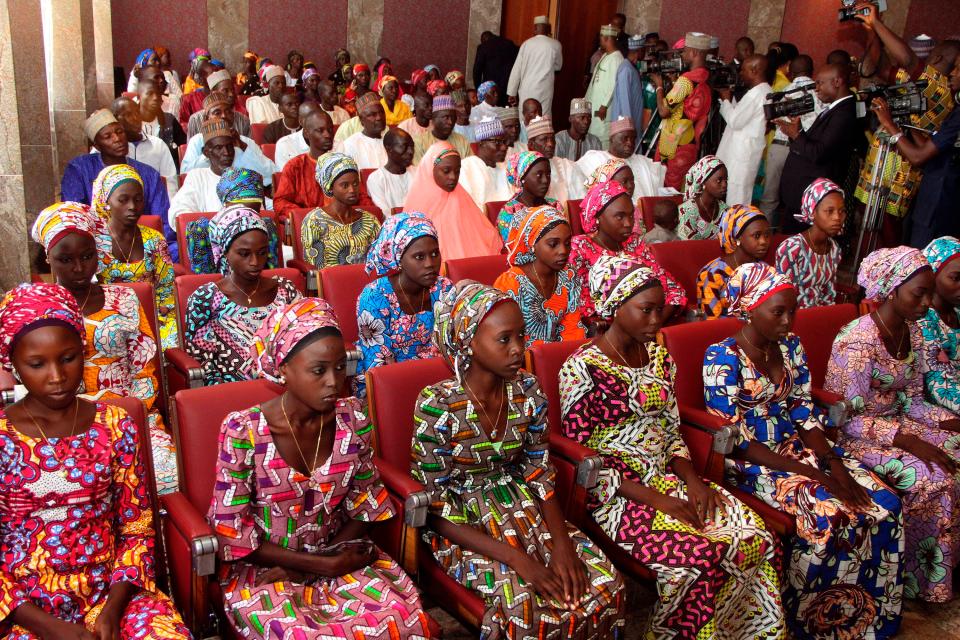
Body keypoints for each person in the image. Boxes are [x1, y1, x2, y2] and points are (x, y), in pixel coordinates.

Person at [562, 256, 786, 639]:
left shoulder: (660, 357)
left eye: (660, 310)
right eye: (645, 311)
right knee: (698, 560)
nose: (656, 321)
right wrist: (656, 500)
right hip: (619, 494)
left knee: (757, 538)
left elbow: (670, 431)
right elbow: (588, 464)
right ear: (614, 307)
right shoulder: (581, 368)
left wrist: (694, 481)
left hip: (668, 477)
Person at [208, 297, 435, 639]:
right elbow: (233, 534)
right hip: (265, 569)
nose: (334, 381)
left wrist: (329, 560)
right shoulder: (243, 432)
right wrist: (313, 566)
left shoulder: (352, 419)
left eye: (341, 367)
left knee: (401, 621)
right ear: (283, 368)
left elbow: (365, 505)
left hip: (341, 552)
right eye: (319, 370)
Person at [411, 281, 626, 639]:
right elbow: (435, 508)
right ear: (468, 341)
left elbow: (539, 471)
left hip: (522, 506)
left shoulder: (527, 389)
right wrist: (517, 559)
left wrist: (561, 544)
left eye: (522, 336)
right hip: (464, 525)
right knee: (525, 606)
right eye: (504, 339)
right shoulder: (436, 404)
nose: (518, 349)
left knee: (606, 585)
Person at [703, 262, 904, 639]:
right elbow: (736, 441)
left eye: (792, 311)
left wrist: (833, 464)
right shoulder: (722, 357)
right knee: (828, 515)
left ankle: (869, 618)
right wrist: (814, 475)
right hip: (753, 462)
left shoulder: (791, 345)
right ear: (750, 308)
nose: (788, 320)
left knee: (883, 503)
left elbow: (802, 411)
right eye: (777, 311)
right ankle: (812, 622)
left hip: (800, 450)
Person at [0, 282, 190, 639]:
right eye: (37, 364)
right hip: (24, 610)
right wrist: (52, 628)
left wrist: (111, 612)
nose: (56, 377)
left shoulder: (115, 425)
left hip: (114, 593)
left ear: (83, 351)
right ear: (12, 363)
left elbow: (136, 529)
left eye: (68, 358)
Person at [826, 246, 960, 604]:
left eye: (930, 292)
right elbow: (845, 419)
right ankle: (920, 580)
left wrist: (947, 422)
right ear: (891, 288)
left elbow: (914, 399)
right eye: (920, 293)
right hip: (859, 437)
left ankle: (949, 563)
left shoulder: (912, 331)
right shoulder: (857, 341)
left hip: (899, 424)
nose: (928, 302)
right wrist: (907, 441)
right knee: (936, 479)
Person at [32, 201, 179, 494]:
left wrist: (130, 413)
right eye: (65, 259)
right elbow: (30, 380)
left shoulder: (123, 300)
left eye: (87, 256)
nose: (78, 268)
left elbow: (144, 368)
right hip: (62, 419)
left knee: (167, 475)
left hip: (129, 412)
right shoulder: (37, 308)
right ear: (48, 259)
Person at [855, 4, 959, 244]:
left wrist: (877, 22)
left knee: (885, 240)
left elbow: (908, 59)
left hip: (898, 176)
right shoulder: (922, 85)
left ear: (939, 57)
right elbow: (878, 66)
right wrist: (871, 29)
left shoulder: (940, 88)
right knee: (870, 235)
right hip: (881, 170)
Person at [185, 205, 301, 385]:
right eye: (244, 254)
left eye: (262, 253)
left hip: (287, 389)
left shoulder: (285, 291)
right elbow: (203, 363)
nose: (255, 262)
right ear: (225, 252)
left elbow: (302, 344)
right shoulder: (205, 299)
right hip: (230, 395)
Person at [355, 213, 452, 396]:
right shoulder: (374, 297)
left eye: (434, 254)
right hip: (391, 385)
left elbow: (451, 345)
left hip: (439, 379)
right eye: (419, 257)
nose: (430, 264)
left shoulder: (444, 288)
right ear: (399, 259)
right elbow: (380, 363)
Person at [570, 180, 686, 326]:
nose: (628, 223)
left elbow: (672, 289)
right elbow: (583, 307)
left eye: (631, 216)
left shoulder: (634, 244)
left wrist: (654, 324)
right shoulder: (580, 248)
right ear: (598, 217)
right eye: (620, 216)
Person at [872, 60, 960, 247]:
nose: (952, 73)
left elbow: (918, 157)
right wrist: (906, 124)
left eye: (958, 68)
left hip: (937, 206)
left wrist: (889, 124)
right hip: (939, 203)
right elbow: (928, 151)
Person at [91, 164, 177, 350]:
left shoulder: (154, 240)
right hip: (108, 319)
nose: (132, 207)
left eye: (138, 200)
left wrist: (161, 321)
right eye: (123, 200)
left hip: (153, 316)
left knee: (173, 341)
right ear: (106, 201)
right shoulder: (94, 242)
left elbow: (166, 292)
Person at [778, 64, 859, 230]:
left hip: (812, 194)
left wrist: (796, 135)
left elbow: (820, 153)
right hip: (802, 194)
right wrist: (796, 130)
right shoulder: (834, 109)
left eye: (820, 83)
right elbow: (815, 144)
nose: (816, 88)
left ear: (837, 82)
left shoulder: (843, 113)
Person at [61, 109, 170, 227]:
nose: (117, 139)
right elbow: (73, 215)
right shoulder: (80, 169)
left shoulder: (149, 174)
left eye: (119, 132)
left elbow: (162, 222)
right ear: (97, 145)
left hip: (144, 240)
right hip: (93, 241)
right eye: (108, 136)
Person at [494, 205, 584, 347]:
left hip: (561, 356)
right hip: (521, 359)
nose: (563, 251)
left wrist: (564, 358)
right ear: (532, 244)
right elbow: (507, 338)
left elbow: (573, 328)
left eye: (567, 243)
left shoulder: (569, 276)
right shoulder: (511, 284)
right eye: (553, 244)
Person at [403, 142, 502, 260]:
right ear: (431, 169)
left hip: (470, 267)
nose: (453, 177)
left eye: (457, 171)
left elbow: (487, 238)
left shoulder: (462, 198)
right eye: (446, 171)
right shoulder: (416, 204)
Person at [759, 54, 820, 220]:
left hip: (779, 147)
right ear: (812, 72)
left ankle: (766, 235)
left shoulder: (781, 93)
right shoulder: (821, 92)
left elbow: (769, 121)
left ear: (790, 73)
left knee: (769, 197)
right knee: (799, 197)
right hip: (804, 150)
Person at [654, 32, 714, 190]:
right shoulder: (706, 79)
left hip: (673, 147)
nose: (682, 55)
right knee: (681, 191)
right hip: (691, 145)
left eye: (685, 51)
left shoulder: (686, 80)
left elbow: (664, 111)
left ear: (694, 53)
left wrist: (659, 86)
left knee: (665, 192)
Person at [302, 152, 382, 269]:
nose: (352, 190)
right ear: (330, 187)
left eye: (355, 184)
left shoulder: (370, 221)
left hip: (367, 282)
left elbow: (379, 259)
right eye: (345, 185)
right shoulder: (314, 221)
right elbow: (313, 266)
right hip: (330, 284)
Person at [775, 178, 845, 308]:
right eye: (830, 211)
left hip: (819, 317)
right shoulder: (792, 249)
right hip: (794, 318)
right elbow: (785, 297)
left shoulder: (834, 249)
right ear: (812, 213)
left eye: (841, 211)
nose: (837, 218)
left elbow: (829, 295)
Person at [715, 55, 771, 206]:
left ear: (754, 70)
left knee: (737, 198)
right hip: (743, 152)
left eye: (743, 70)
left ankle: (737, 228)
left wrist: (726, 99)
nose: (740, 74)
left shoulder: (756, 94)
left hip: (742, 155)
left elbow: (735, 121)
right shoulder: (763, 91)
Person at [696, 205, 771, 319]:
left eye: (767, 235)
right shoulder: (712, 275)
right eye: (757, 236)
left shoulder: (765, 270)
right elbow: (711, 324)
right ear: (738, 238)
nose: (763, 241)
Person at [169, 119, 244, 228]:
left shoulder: (242, 177)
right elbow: (178, 212)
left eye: (229, 146)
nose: (227, 153)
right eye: (219, 148)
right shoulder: (197, 177)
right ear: (206, 153)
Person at [918, 236, 960, 414]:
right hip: (935, 408)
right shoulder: (923, 319)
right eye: (955, 278)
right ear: (932, 275)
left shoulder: (957, 313)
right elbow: (938, 384)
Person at [576, 117, 665, 199]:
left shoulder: (643, 161)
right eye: (625, 138)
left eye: (633, 139)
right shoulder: (595, 159)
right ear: (611, 139)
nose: (630, 143)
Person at [111, 96, 178, 204]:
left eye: (137, 112)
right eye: (128, 114)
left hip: (154, 207)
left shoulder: (158, 145)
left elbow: (170, 185)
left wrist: (170, 215)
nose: (135, 118)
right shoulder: (109, 148)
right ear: (115, 119)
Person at [273, 110, 334, 220]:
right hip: (309, 228)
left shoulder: (343, 164)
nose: (327, 135)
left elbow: (362, 200)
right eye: (320, 131)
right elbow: (280, 202)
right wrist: (306, 216)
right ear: (306, 133)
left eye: (330, 130)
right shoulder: (295, 166)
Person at [497, 150, 563, 242]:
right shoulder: (510, 213)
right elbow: (513, 251)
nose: (545, 180)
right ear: (522, 178)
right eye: (539, 175)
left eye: (548, 174)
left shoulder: (554, 206)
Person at [506, 15, 564, 118]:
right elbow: (558, 66)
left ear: (535, 28)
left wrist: (512, 92)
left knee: (525, 117)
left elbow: (517, 69)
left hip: (527, 89)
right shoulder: (556, 44)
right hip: (544, 90)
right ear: (548, 29)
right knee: (543, 117)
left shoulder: (526, 44)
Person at [525, 116, 586, 205]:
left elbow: (581, 202)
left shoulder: (567, 166)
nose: (550, 144)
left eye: (552, 138)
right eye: (544, 139)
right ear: (531, 145)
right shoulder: (524, 172)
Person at [584, 24, 625, 147]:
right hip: (595, 105)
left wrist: (604, 105)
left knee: (601, 138)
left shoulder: (616, 58)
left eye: (601, 37)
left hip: (603, 108)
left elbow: (613, 84)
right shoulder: (606, 55)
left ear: (606, 38)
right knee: (592, 135)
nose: (599, 40)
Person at [458, 116, 512, 210]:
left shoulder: (506, 167)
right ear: (481, 143)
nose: (504, 147)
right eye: (497, 142)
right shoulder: (466, 167)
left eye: (504, 142)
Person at [137, 77, 187, 172]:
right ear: (139, 97)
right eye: (150, 94)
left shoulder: (169, 121)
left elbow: (183, 149)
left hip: (167, 173)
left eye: (158, 94)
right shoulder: (131, 124)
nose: (155, 98)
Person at [185, 69, 251, 139]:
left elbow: (250, 148)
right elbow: (192, 148)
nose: (231, 94)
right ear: (213, 93)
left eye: (232, 90)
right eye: (225, 91)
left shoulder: (243, 120)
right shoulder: (195, 120)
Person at [677, 155, 728, 240]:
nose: (724, 185)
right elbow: (685, 248)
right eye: (719, 180)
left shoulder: (725, 211)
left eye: (726, 180)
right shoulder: (686, 212)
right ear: (703, 181)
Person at [367, 128, 415, 216]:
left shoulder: (418, 173)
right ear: (389, 149)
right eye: (404, 146)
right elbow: (385, 215)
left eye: (412, 146)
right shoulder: (376, 179)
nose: (410, 152)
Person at [412, 95, 472, 164]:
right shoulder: (419, 142)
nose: (450, 122)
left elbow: (470, 168)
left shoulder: (462, 141)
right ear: (433, 118)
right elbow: (419, 171)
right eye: (445, 117)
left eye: (453, 117)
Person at [608, 35, 645, 140]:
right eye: (644, 50)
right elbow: (625, 100)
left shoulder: (632, 68)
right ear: (639, 52)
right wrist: (628, 126)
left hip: (633, 122)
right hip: (626, 126)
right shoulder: (626, 70)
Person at [342, 92, 388, 170]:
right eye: (373, 115)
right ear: (361, 120)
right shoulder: (350, 145)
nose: (379, 117)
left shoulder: (391, 141)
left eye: (381, 112)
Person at [473, 30, 519, 106]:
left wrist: (479, 89)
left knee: (490, 110)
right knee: (505, 111)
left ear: (483, 40)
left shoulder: (483, 47)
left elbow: (477, 70)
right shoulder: (509, 44)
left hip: (490, 88)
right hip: (507, 86)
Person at [275, 100, 319, 170]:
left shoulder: (333, 144)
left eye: (318, 117)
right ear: (301, 121)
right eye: (310, 118)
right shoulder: (285, 144)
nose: (316, 121)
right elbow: (287, 177)